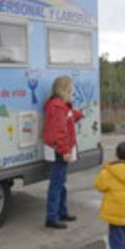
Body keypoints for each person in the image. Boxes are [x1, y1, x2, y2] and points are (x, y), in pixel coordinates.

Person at [43, 76, 83, 229]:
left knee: (60, 183)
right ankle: (52, 218)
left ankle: (61, 212)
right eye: (70, 87)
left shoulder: (60, 105)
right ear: (65, 88)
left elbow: (68, 115)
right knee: (56, 184)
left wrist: (78, 115)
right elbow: (58, 131)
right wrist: (65, 151)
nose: (72, 90)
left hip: (57, 149)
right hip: (58, 150)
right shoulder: (58, 106)